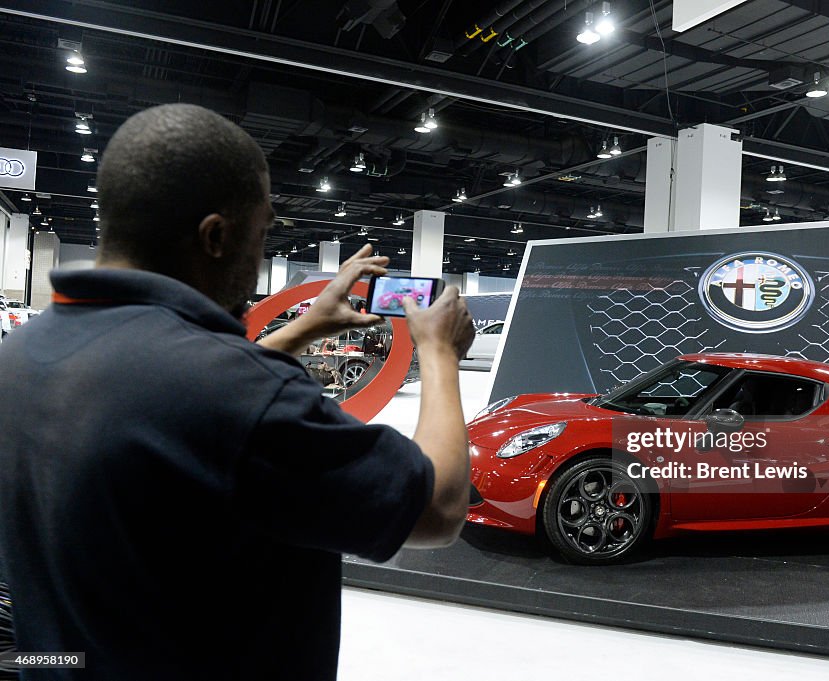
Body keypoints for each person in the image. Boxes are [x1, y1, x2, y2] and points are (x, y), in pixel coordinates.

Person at [0, 103, 475, 680]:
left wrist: (304, 327)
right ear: (216, 236)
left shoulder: (17, 361)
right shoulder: (240, 393)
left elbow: (172, 406)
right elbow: (439, 508)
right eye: (264, 227)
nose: (263, 245)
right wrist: (439, 351)